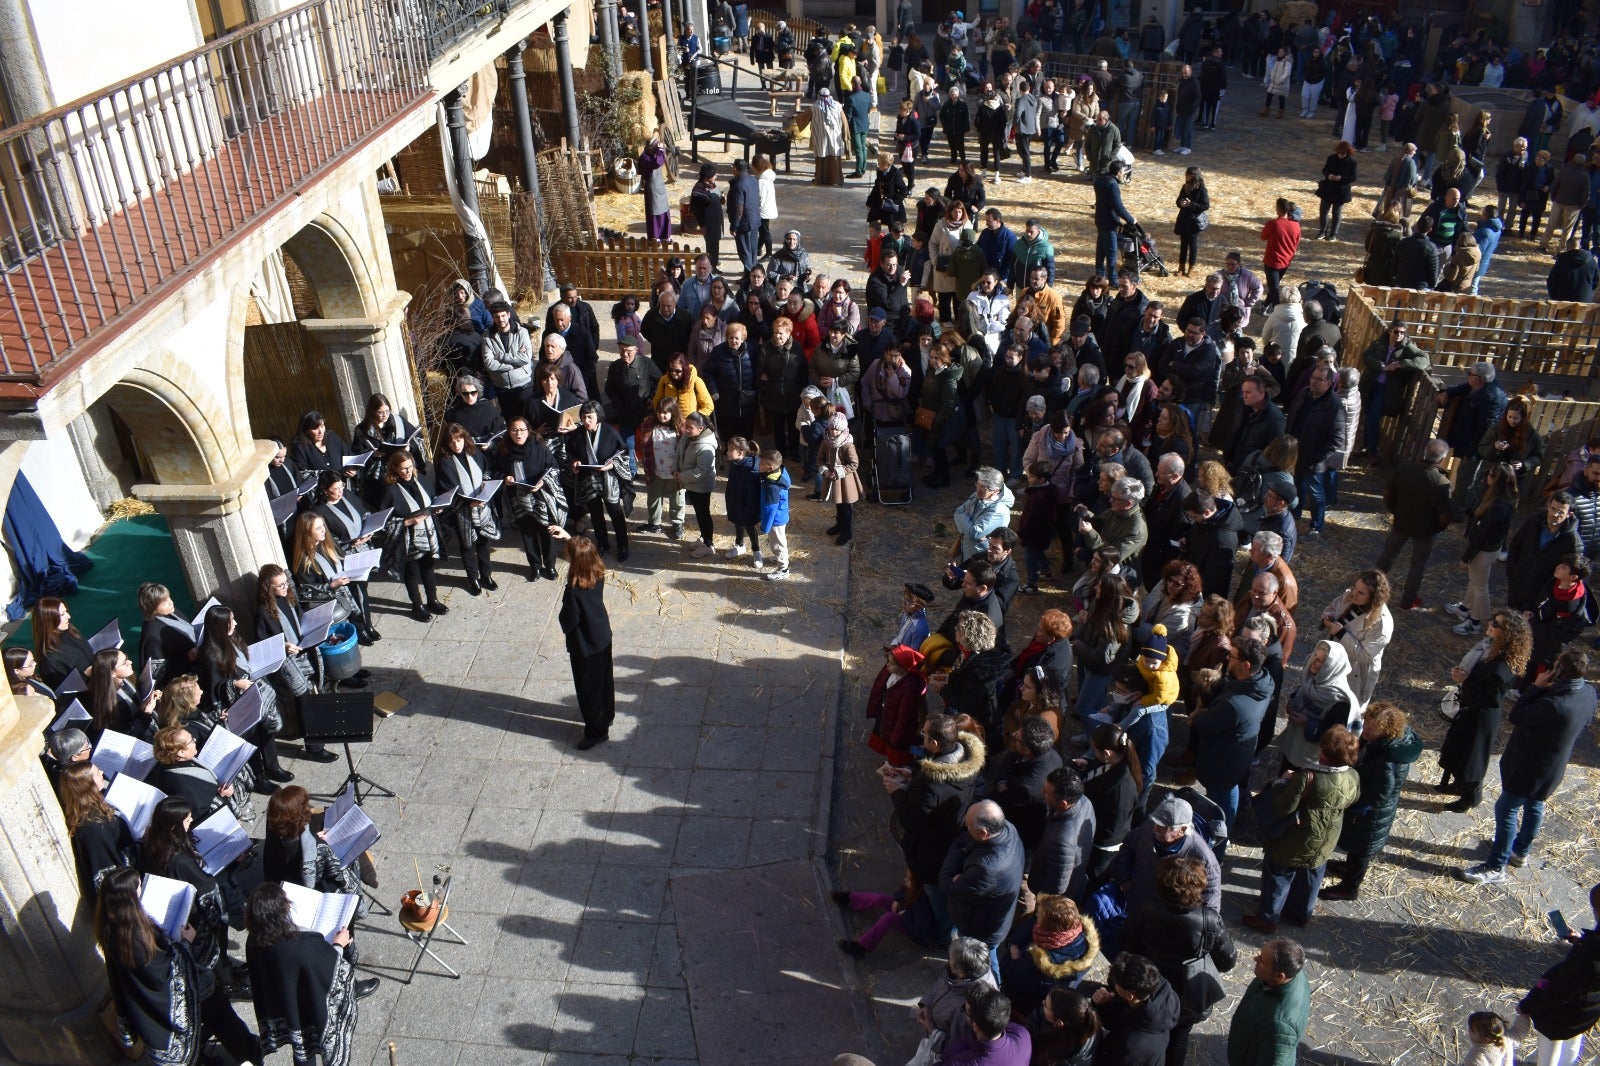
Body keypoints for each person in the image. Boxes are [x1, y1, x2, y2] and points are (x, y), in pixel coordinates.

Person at [1461, 647, 1598, 885]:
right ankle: (1521, 850)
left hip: (1528, 765)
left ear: (1560, 670)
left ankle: (1496, 866)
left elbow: (1516, 716)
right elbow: (1585, 723)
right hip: (1553, 767)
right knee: (1535, 804)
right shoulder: (1589, 692)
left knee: (1506, 810)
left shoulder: (1555, 704)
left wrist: (1535, 687)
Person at [97, 866, 260, 1066]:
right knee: (222, 1016)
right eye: (138, 887)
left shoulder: (111, 928)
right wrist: (184, 942)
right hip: (182, 999)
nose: (142, 889)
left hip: (155, 1014)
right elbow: (165, 971)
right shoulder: (135, 937)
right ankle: (250, 1054)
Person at [1121, 856, 1238, 1066]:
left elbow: (1127, 945)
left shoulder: (1145, 910)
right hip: (1188, 995)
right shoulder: (1208, 920)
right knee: (1180, 1036)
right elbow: (1228, 961)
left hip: (1150, 987)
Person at [1244, 725, 1360, 933]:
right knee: (1312, 877)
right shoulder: (1353, 776)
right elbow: (1354, 799)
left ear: (1324, 752)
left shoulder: (1308, 777)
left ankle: (1268, 919)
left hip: (1295, 839)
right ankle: (1301, 915)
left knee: (1278, 876)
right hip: (1327, 839)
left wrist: (1282, 781)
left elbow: (1283, 807)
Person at [245, 881, 372, 1065]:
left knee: (302, 1050)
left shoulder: (253, 940)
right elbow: (331, 969)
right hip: (307, 1001)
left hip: (282, 1002)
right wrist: (339, 944)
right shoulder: (303, 945)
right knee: (306, 1042)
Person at [1319, 701, 1423, 902]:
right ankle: (1348, 868)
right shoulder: (1382, 743)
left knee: (1362, 849)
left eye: (1371, 729)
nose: (1365, 730)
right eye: (1365, 725)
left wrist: (1359, 804)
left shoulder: (1386, 759)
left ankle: (1350, 887)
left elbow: (1381, 793)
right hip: (1366, 809)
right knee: (1356, 846)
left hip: (1370, 814)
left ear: (1386, 731)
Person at [1440, 608, 1532, 814]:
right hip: (1471, 710)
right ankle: (1458, 784)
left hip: (1481, 717)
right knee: (1460, 750)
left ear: (1506, 634)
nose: (1490, 624)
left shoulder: (1502, 666)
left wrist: (1466, 681)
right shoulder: (1491, 649)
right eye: (1492, 621)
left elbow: (1490, 699)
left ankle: (1470, 798)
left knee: (1472, 759)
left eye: (1496, 624)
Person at [1513, 881, 1600, 1066]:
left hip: (1563, 1013)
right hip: (1589, 1010)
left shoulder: (1590, 954)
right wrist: (1581, 941)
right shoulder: (1593, 947)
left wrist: (1528, 1005)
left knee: (1550, 1044)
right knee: (1574, 1039)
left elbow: (1560, 991)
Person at [1375, 439, 1453, 610]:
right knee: (1417, 565)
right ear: (1442, 459)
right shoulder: (1441, 483)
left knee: (1388, 555)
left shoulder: (1403, 469)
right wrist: (1438, 528)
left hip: (1402, 522)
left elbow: (1388, 493)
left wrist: (1394, 510)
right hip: (1425, 531)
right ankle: (1408, 600)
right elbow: (1445, 515)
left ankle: (1372, 587)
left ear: (1424, 452)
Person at [1226, 939, 1311, 1066]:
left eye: (1262, 961)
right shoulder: (1293, 973)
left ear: (1279, 976)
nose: (1255, 959)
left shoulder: (1280, 1026)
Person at [1089, 952, 1181, 1066]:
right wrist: (1103, 1005)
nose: (1114, 985)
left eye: (1116, 984)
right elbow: (1118, 1020)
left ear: (1130, 996)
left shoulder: (1131, 1047)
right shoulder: (1155, 991)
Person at [1548, 235, 1600, 302]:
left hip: (1562, 300)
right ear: (1579, 247)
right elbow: (1596, 280)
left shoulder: (1562, 260)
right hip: (1584, 300)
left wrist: (1554, 296)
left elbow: (1551, 280)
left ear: (1567, 247)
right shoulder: (1591, 260)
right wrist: (1587, 291)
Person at [638, 133, 671, 239]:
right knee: (655, 213)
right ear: (651, 147)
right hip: (652, 190)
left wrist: (660, 151)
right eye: (656, 145)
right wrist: (661, 151)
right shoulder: (645, 157)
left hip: (660, 188)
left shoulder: (653, 154)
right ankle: (655, 238)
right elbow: (657, 163)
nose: (657, 147)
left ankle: (665, 236)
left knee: (664, 211)